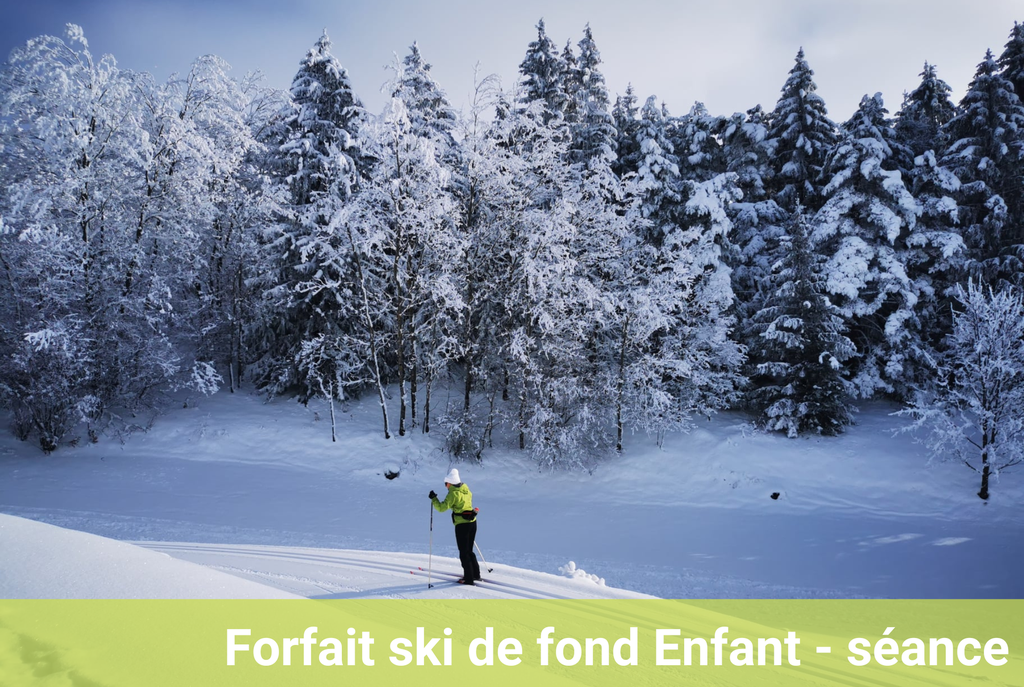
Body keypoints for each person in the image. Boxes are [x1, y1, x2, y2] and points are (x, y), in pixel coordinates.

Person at [429, 468, 480, 585]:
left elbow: (441, 508)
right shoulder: (466, 489)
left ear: (450, 482)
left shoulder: (453, 494)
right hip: (472, 522)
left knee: (463, 552)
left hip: (462, 525)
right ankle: (475, 574)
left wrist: (434, 499)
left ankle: (468, 578)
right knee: (469, 550)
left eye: (445, 483)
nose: (445, 486)